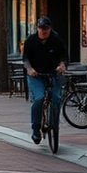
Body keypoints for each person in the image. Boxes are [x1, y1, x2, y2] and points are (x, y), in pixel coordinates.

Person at [22, 16, 67, 144]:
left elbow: (64, 55)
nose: (44, 31)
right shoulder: (31, 40)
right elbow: (25, 58)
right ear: (37, 28)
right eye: (41, 28)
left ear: (50, 29)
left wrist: (62, 64)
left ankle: (55, 124)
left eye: (46, 28)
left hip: (53, 74)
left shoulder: (56, 39)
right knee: (39, 98)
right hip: (36, 75)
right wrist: (30, 69)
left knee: (56, 98)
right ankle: (36, 129)